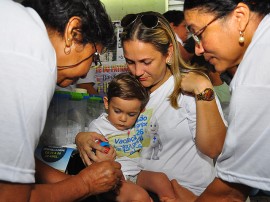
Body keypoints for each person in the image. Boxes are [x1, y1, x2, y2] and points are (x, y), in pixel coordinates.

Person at [76, 11, 227, 197]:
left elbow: (214, 148)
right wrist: (82, 137)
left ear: (168, 52)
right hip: (145, 192)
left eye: (146, 62)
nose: (138, 71)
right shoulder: (132, 92)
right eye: (130, 62)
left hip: (192, 195)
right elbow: (111, 125)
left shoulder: (190, 89)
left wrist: (203, 88)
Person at [0, 0, 123, 201]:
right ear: (72, 33)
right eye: (94, 58)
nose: (86, 75)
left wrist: (70, 181)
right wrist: (85, 184)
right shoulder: (35, 58)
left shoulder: (15, 26)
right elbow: (11, 198)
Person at [171, 0, 270, 201]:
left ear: (240, 17)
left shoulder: (256, 75)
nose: (198, 49)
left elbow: (228, 194)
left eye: (199, 34)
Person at [82, 72, 176, 201]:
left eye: (131, 114)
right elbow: (97, 154)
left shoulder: (139, 123)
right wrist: (104, 157)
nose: (123, 119)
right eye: (117, 111)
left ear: (140, 111)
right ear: (106, 103)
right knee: (139, 196)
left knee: (161, 179)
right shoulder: (98, 127)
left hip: (137, 172)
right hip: (113, 178)